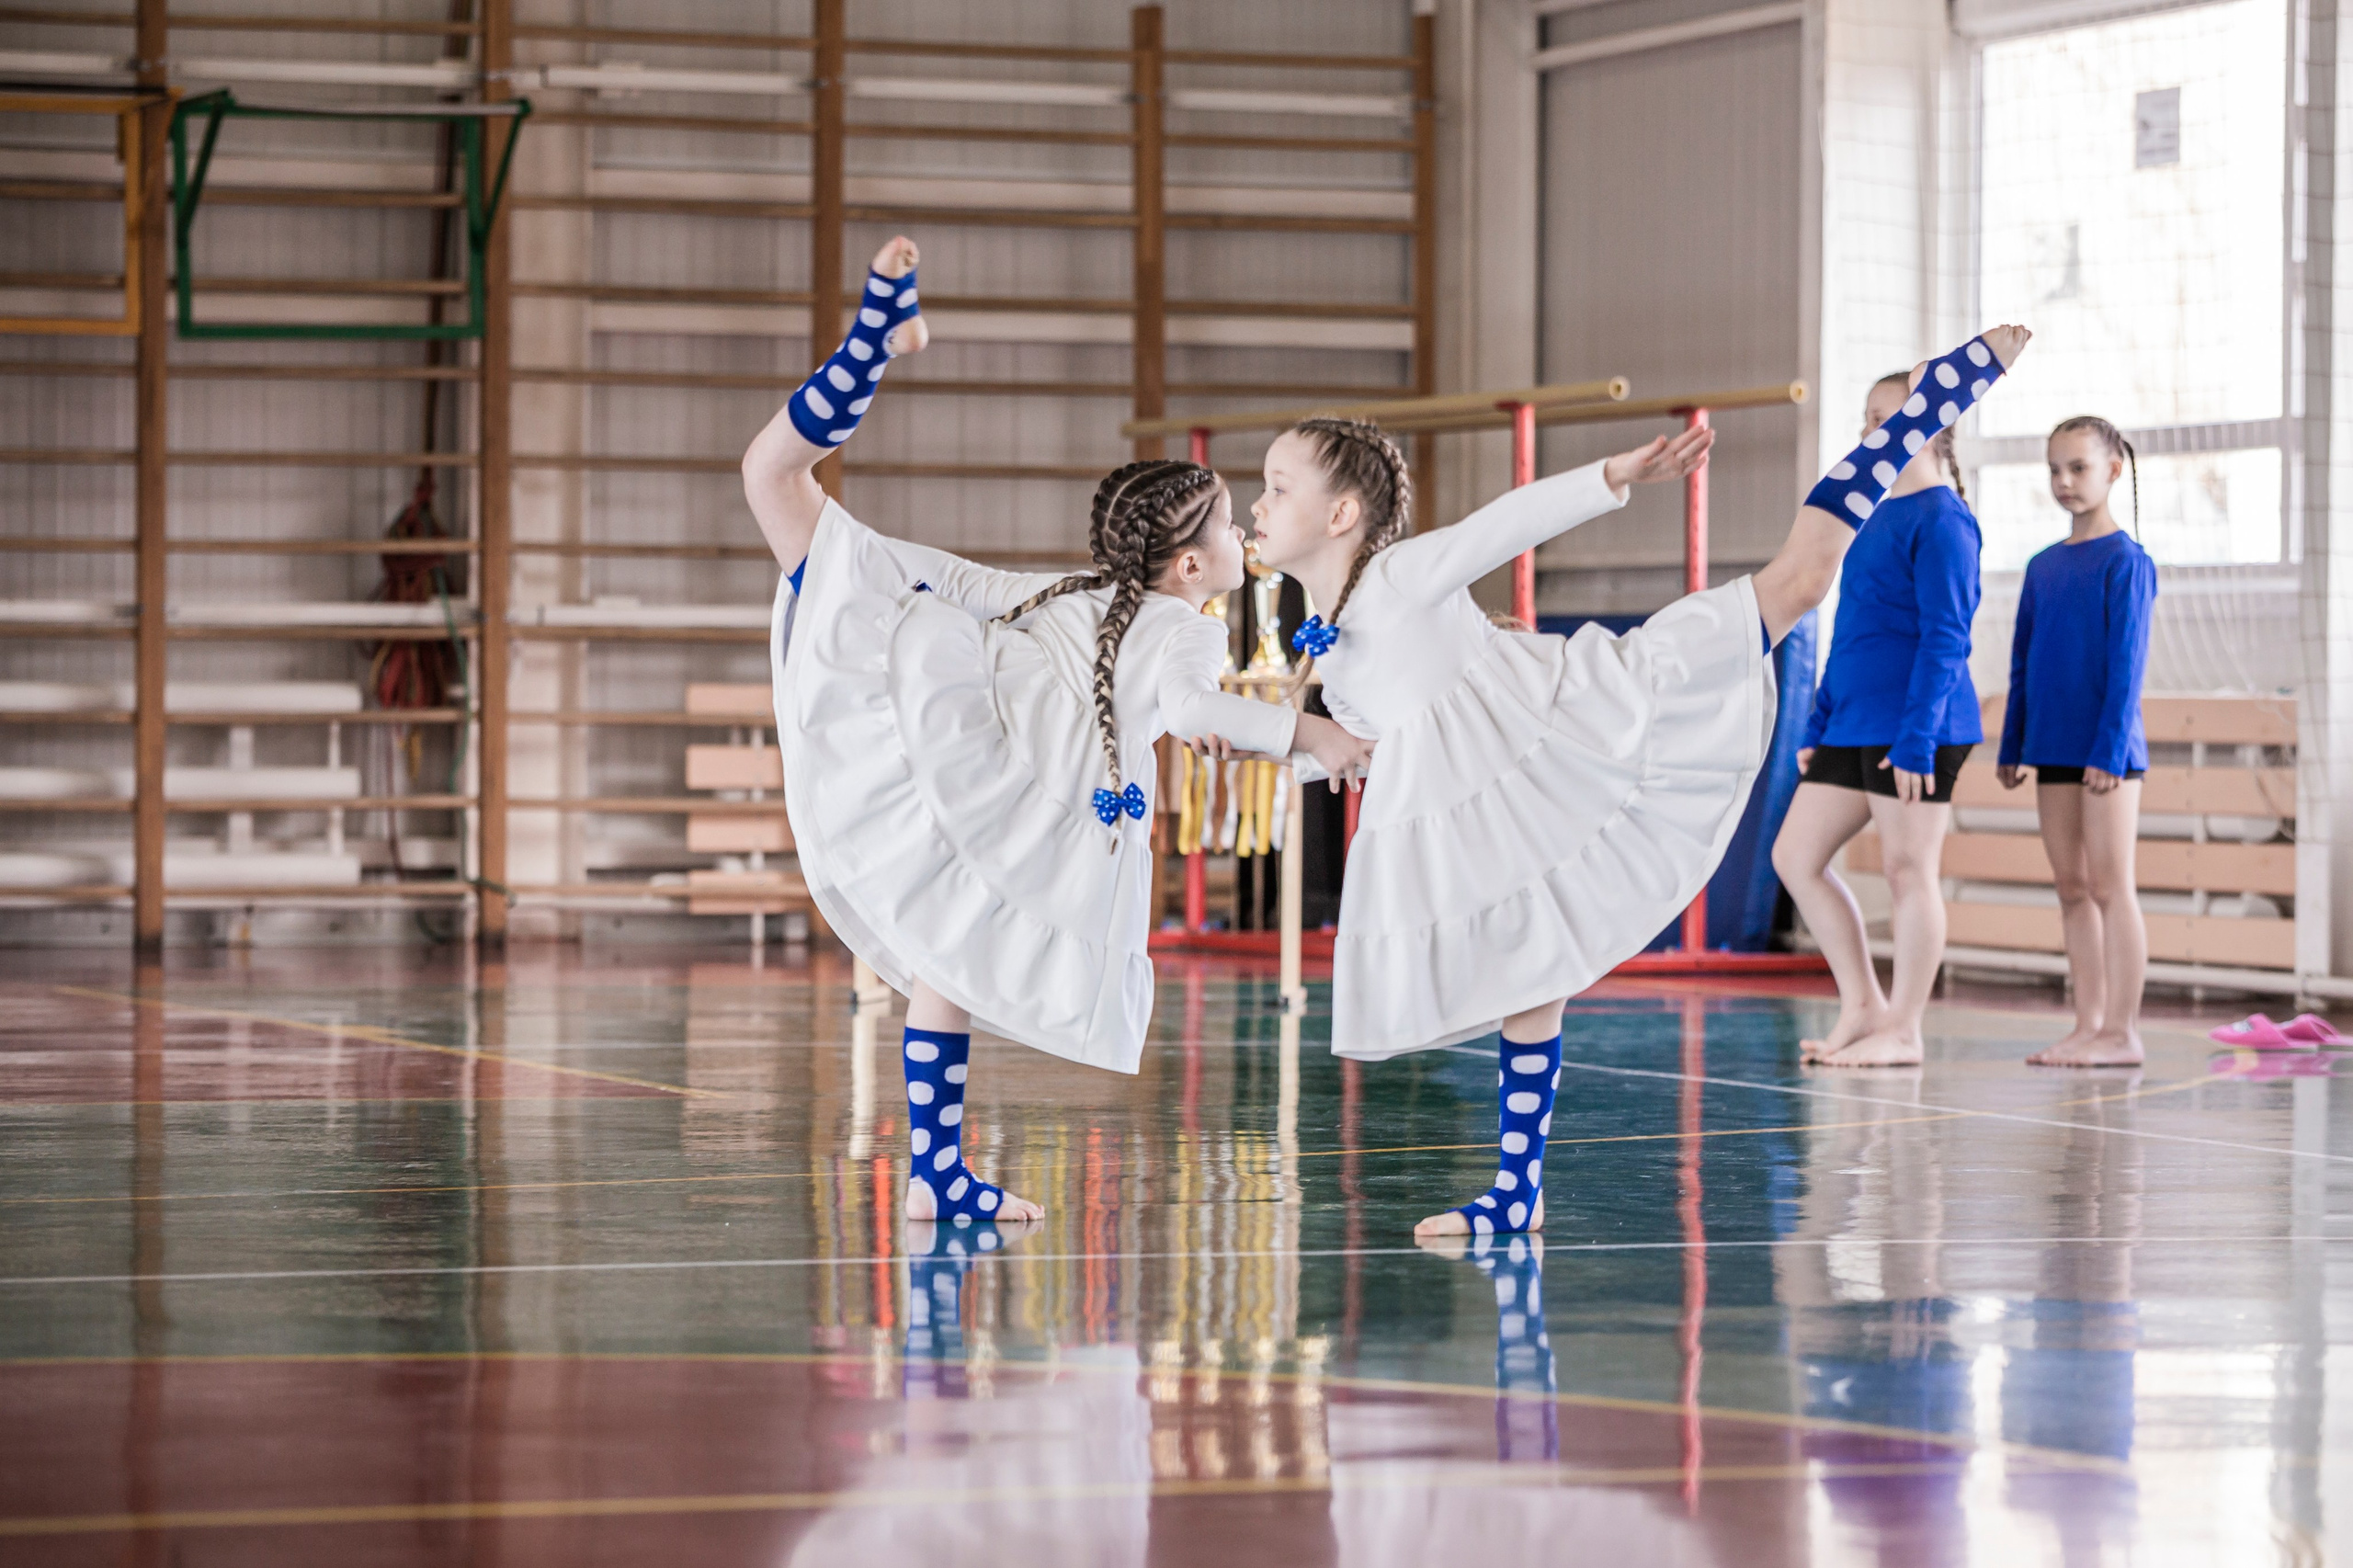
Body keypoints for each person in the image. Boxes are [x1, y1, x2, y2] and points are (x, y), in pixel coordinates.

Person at [1246, 327, 2034, 1233]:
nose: (1257, 504)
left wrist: (1613, 475)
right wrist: (1269, 741)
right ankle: (1514, 1194)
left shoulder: (1396, 575)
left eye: (1275, 485)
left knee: (1799, 577)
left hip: (1591, 710)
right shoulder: (1333, 642)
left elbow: (1500, 523)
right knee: (1527, 975)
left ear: (1342, 514)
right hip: (1503, 804)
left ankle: (1935, 402)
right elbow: (1356, 745)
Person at [743, 236, 1376, 1224]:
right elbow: (1193, 710)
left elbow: (1140, 691)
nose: (1241, 527)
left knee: (771, 479)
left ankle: (875, 339)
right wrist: (1316, 736)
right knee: (943, 963)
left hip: (989, 753)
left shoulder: (1085, 595)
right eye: (1222, 522)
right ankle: (934, 1175)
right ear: (1191, 568)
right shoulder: (1177, 630)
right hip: (1007, 779)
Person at [1771, 364, 1998, 1070]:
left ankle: (1904, 1026)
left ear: (1932, 424)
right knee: (1795, 858)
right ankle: (1864, 1005)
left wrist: (1917, 740)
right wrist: (1819, 724)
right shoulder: (1866, 513)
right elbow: (1852, 627)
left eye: (1887, 416)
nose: (1872, 429)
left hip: (1918, 727)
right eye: (1866, 418)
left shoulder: (1945, 519)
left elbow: (1946, 637)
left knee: (1908, 870)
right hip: (1855, 720)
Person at [1997, 417, 2156, 1067]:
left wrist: (2108, 751)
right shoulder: (2043, 567)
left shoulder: (2128, 562)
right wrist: (2012, 743)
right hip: (2052, 747)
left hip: (2107, 754)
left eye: (2079, 468)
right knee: (2070, 887)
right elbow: (2022, 661)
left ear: (2113, 469)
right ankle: (2087, 1024)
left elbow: (2127, 667)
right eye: (2055, 469)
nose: (2064, 481)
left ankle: (2122, 1030)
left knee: (2112, 885)